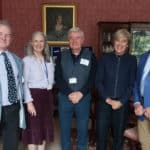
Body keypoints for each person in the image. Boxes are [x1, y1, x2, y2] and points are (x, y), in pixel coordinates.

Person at [55, 27, 96, 150]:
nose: (74, 41)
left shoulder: (91, 56)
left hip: (83, 98)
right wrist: (69, 93)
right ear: (68, 40)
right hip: (65, 98)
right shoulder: (61, 56)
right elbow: (58, 78)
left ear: (82, 40)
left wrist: (81, 93)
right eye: (71, 38)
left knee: (83, 128)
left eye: (77, 38)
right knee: (64, 128)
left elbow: (92, 78)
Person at [95, 29, 137, 150]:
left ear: (127, 44)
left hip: (122, 104)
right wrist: (108, 100)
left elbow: (131, 84)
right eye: (117, 41)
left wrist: (120, 102)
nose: (120, 44)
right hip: (104, 103)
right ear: (113, 43)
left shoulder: (132, 60)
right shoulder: (104, 58)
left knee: (118, 138)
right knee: (101, 136)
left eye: (123, 41)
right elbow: (98, 82)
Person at [22, 31, 55, 150]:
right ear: (31, 43)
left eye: (41, 41)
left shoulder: (49, 60)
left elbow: (51, 81)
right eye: (35, 41)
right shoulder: (27, 60)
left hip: (47, 97)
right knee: (33, 133)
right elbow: (24, 83)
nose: (38, 44)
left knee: (44, 130)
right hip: (33, 98)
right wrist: (29, 102)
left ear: (45, 43)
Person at [0, 20, 26, 150]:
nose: (4, 37)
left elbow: (21, 83)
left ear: (11, 38)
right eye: (0, 34)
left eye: (7, 35)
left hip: (13, 107)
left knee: (11, 142)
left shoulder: (16, 59)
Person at [134, 50, 150, 150]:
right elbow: (136, 82)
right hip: (142, 110)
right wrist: (136, 102)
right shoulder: (144, 56)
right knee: (145, 143)